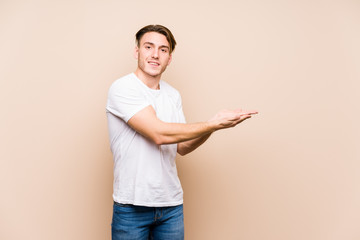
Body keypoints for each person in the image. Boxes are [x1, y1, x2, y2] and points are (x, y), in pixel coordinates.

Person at [106, 24, 258, 240]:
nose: (155, 55)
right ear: (136, 51)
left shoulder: (172, 95)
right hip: (132, 207)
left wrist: (212, 126)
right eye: (148, 47)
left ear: (169, 58)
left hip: (171, 207)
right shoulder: (123, 88)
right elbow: (158, 133)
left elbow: (183, 147)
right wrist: (212, 124)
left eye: (163, 49)